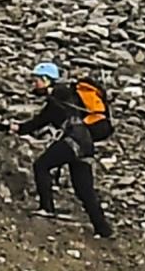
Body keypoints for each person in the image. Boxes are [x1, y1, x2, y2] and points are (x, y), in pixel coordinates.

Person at [19, 62, 113, 238]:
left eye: (37, 80)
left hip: (74, 140)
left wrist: (50, 91)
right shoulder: (56, 104)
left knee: (42, 166)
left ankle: (47, 208)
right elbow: (36, 123)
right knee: (84, 190)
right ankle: (104, 230)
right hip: (86, 145)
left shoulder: (61, 92)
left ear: (47, 80)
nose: (34, 84)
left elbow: (49, 107)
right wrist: (12, 127)